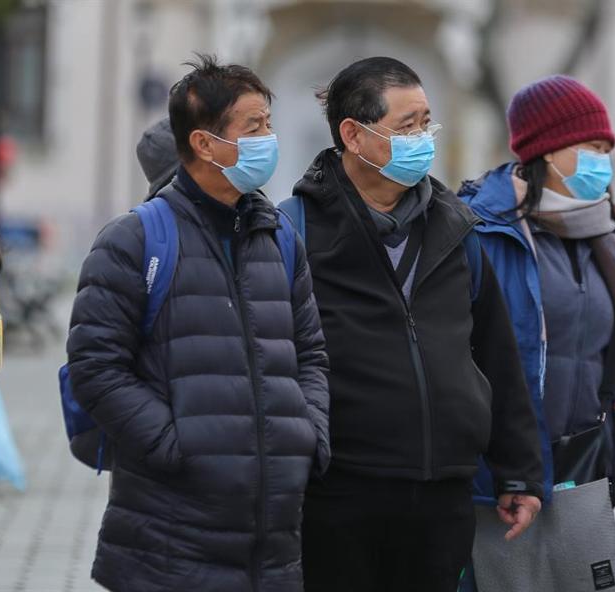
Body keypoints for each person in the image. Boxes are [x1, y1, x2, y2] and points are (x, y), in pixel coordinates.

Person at [66, 54, 329, 592]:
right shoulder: (135, 240)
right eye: (253, 128)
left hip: (272, 540)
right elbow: (95, 367)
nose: (268, 140)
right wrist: (175, 445)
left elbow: (311, 355)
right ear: (204, 144)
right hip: (168, 537)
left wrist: (308, 435)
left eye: (269, 125)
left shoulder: (278, 237)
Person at [288, 57, 544, 592]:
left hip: (440, 492)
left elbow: (496, 352)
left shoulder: (457, 229)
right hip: (338, 493)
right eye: (407, 126)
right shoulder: (296, 230)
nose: (422, 138)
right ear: (353, 136)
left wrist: (517, 471)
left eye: (427, 122)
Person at [458, 75, 615, 590]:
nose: (600, 160)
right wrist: (505, 466)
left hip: (581, 460)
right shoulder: (484, 230)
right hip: (504, 467)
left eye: (605, 147)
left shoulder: (605, 237)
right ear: (545, 150)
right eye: (588, 146)